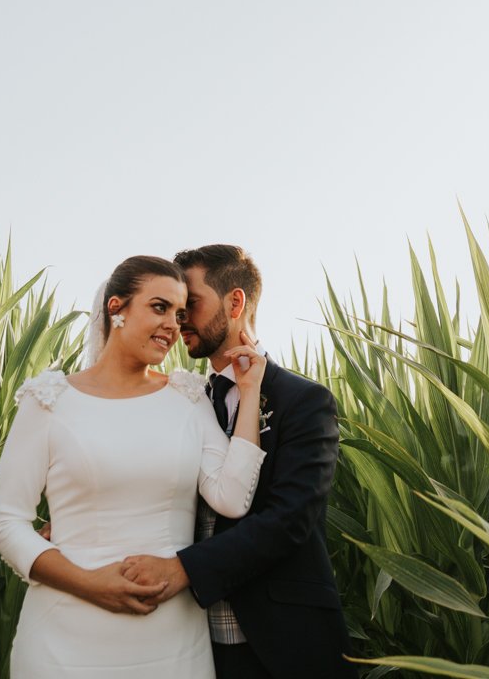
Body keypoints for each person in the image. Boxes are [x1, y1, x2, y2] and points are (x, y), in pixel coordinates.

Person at [0, 255, 268, 678]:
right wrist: (90, 583)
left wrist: (249, 394)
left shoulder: (187, 398)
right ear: (116, 308)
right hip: (64, 639)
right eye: (159, 307)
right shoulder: (48, 401)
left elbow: (232, 498)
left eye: (179, 313)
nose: (174, 325)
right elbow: (6, 523)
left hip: (172, 643)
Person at [120, 244, 354, 679]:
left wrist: (184, 569)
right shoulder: (181, 400)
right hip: (192, 642)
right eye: (170, 307)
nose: (178, 319)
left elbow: (290, 519)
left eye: (190, 303)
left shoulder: (304, 402)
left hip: (284, 643)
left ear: (235, 302)